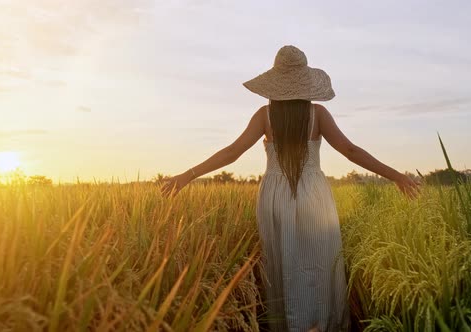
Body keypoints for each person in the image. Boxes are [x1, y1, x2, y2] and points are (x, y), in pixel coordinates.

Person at [161, 45, 420, 332]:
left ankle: (288, 325)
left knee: (282, 262)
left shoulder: (265, 115)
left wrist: (187, 176)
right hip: (313, 194)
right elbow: (351, 150)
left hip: (275, 194)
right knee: (320, 261)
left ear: (275, 82)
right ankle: (321, 325)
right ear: (306, 82)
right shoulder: (317, 114)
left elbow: (231, 152)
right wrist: (396, 176)